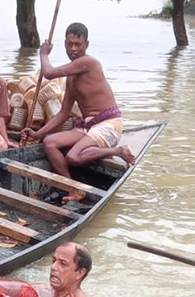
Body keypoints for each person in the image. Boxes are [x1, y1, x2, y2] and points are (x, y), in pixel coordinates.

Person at [23, 23, 137, 197]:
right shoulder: (71, 78)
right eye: (70, 44)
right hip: (88, 127)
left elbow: (49, 73)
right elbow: (63, 113)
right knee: (50, 143)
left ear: (87, 45)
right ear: (65, 44)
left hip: (108, 124)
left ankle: (119, 151)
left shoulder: (89, 63)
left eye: (78, 44)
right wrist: (38, 134)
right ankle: (73, 188)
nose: (73, 49)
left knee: (73, 157)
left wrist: (43, 53)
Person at [0, 242, 94, 297]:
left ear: (79, 273)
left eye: (63, 264)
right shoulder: (45, 289)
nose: (53, 267)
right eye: (54, 260)